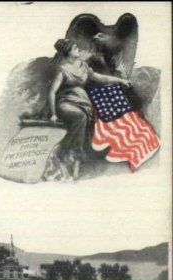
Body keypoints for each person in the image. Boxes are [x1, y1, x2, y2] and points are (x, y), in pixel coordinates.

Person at [46, 38, 132, 181]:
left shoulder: (83, 66)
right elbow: (52, 92)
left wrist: (120, 80)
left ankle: (72, 155)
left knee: (85, 117)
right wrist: (53, 114)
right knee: (80, 117)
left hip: (83, 103)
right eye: (75, 48)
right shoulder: (62, 69)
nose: (78, 50)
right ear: (68, 52)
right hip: (66, 103)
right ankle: (65, 152)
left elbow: (100, 77)